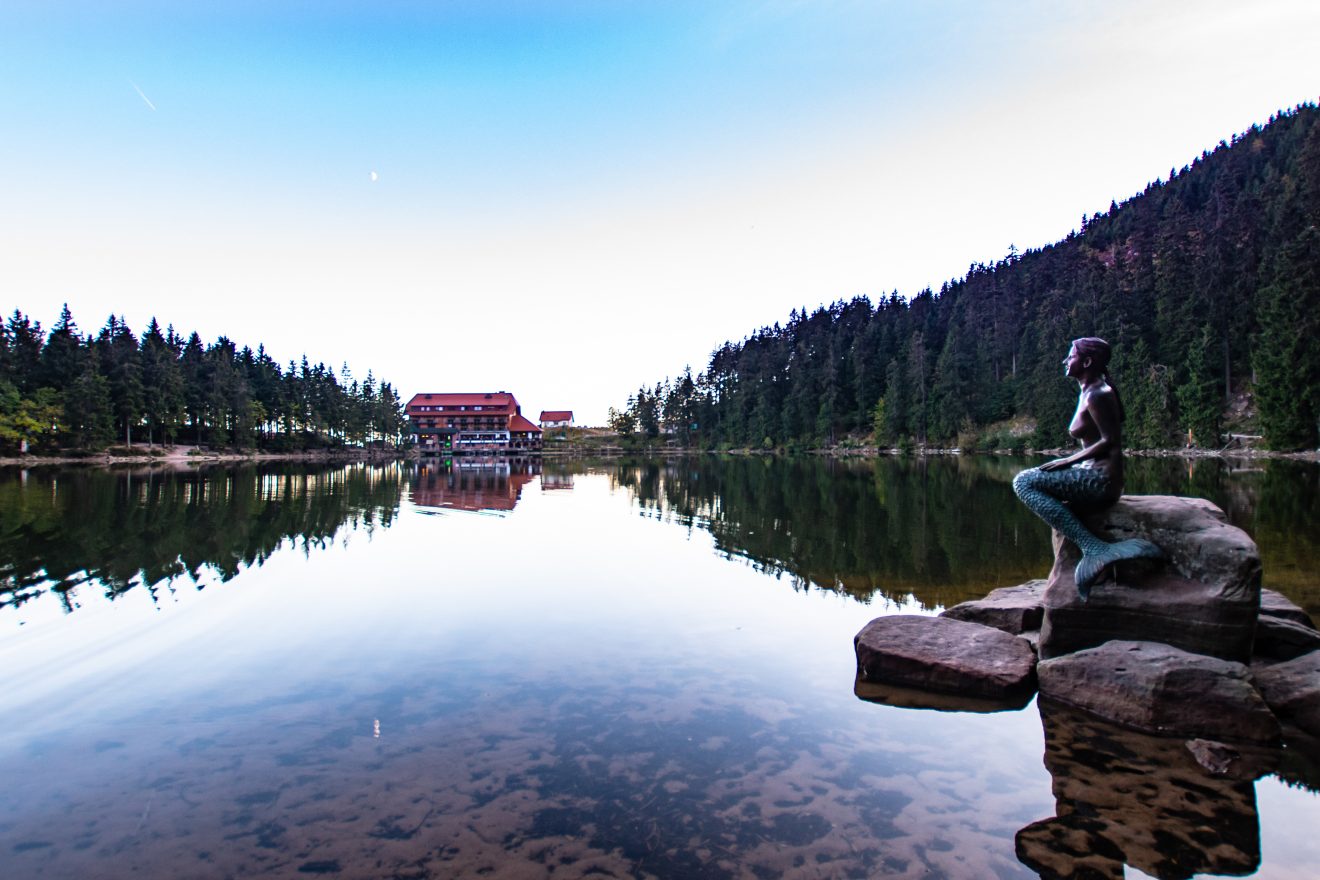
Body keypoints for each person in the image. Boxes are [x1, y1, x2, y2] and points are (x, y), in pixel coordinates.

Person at [1012, 338, 1163, 600]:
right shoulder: (1088, 391)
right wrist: (1073, 461)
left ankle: (1093, 547)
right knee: (1031, 481)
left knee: (1024, 482)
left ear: (1087, 361)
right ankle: (1091, 547)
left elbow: (1111, 441)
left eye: (1070, 356)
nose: (1065, 361)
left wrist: (1067, 461)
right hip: (1091, 471)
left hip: (1101, 479)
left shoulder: (1098, 394)